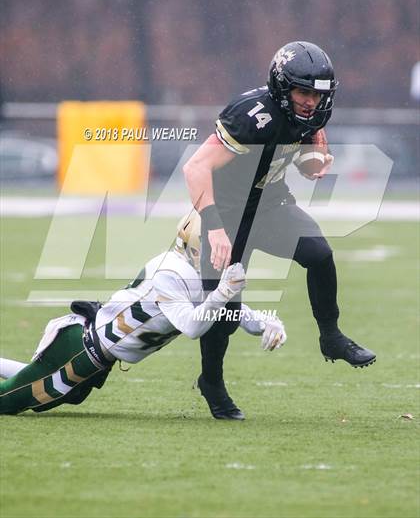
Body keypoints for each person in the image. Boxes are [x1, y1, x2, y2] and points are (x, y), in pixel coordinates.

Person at [183, 41, 376, 421]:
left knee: (319, 254)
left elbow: (305, 161)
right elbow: (195, 168)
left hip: (269, 205)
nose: (310, 102)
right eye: (303, 92)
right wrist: (215, 228)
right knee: (224, 313)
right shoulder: (253, 115)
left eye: (318, 95)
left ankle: (331, 337)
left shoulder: (312, 114)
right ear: (281, 86)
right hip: (227, 214)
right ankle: (212, 382)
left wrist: (315, 162)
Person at [0, 212, 286, 416]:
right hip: (79, 349)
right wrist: (224, 292)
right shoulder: (171, 272)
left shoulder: (193, 270)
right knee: (9, 401)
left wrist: (266, 323)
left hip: (96, 355)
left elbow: (230, 313)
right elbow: (193, 326)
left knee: (54, 395)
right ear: (196, 247)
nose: (221, 259)